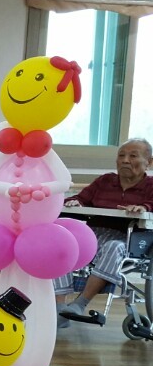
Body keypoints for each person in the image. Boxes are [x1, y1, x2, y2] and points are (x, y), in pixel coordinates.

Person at [55, 138, 153, 327]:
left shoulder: (151, 185)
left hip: (128, 238)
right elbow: (80, 198)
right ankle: (60, 308)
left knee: (113, 247)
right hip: (93, 234)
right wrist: (76, 202)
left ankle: (80, 304)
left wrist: (143, 207)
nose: (125, 160)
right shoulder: (105, 181)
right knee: (62, 243)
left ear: (148, 162)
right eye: (121, 155)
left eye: (133, 156)